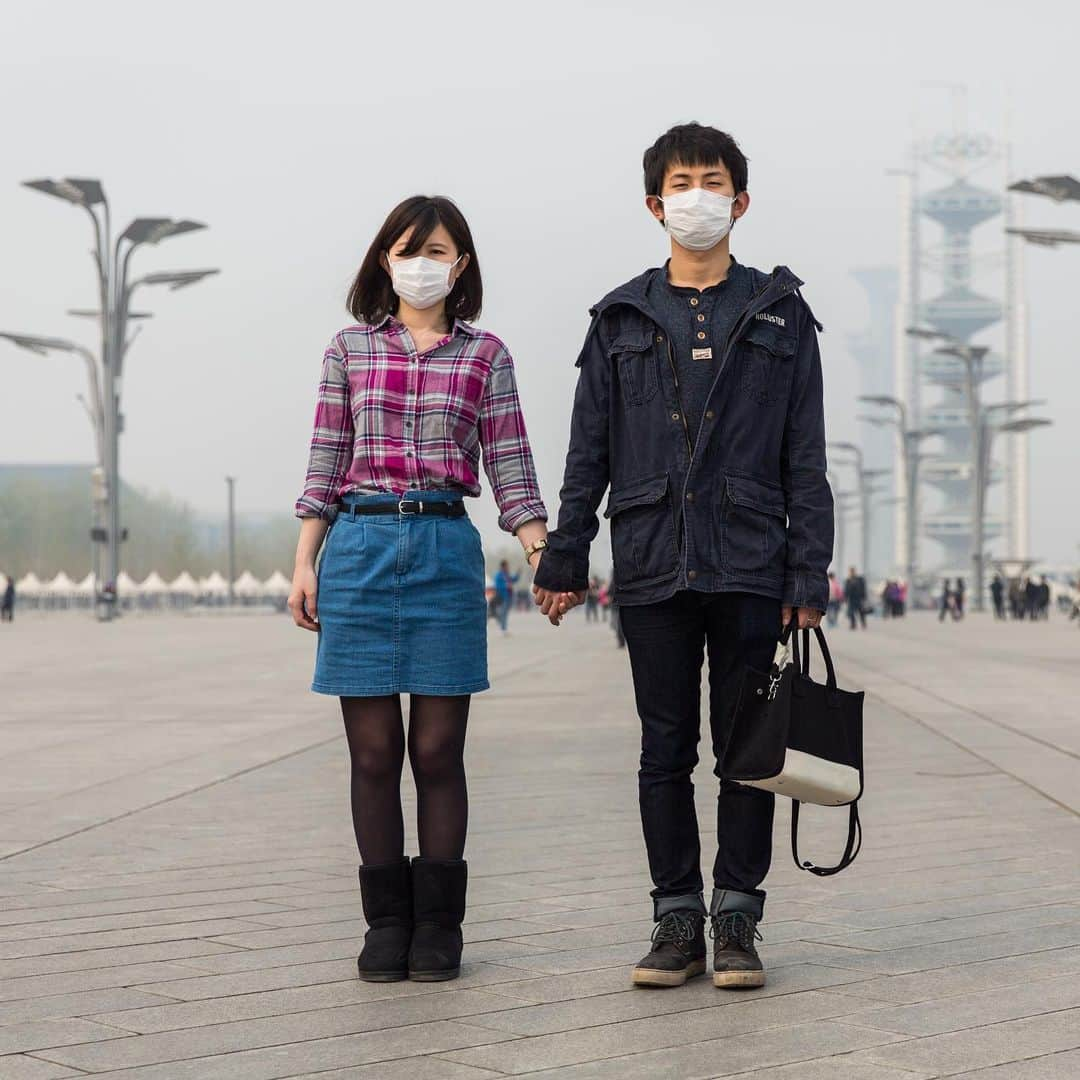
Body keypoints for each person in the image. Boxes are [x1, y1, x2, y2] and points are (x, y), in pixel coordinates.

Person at [531, 123, 832, 991]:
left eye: (713, 182)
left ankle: (737, 916)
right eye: (680, 183)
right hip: (654, 562)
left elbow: (804, 454)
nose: (696, 196)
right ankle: (675, 919)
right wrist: (566, 557)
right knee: (663, 749)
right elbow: (590, 449)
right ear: (655, 204)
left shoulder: (780, 312)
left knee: (748, 751)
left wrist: (807, 573)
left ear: (739, 200)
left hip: (750, 562)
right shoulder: (621, 316)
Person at [289, 196, 551, 984]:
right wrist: (305, 561)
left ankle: (439, 925)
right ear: (385, 260)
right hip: (359, 545)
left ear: (461, 263)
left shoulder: (486, 354)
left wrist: (542, 551)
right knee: (372, 753)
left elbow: (511, 460)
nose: (423, 262)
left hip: (443, 545)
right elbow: (326, 461)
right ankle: (386, 923)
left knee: (437, 750)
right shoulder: (348, 349)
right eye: (409, 249)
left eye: (438, 250)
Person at [492, 560, 519, 634]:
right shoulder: (499, 575)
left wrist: (518, 574)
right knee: (503, 612)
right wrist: (506, 586)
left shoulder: (506, 574)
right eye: (507, 566)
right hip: (502, 596)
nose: (508, 567)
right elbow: (497, 586)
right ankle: (503, 628)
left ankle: (503, 627)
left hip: (508, 596)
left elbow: (513, 579)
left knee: (505, 612)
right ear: (503, 566)